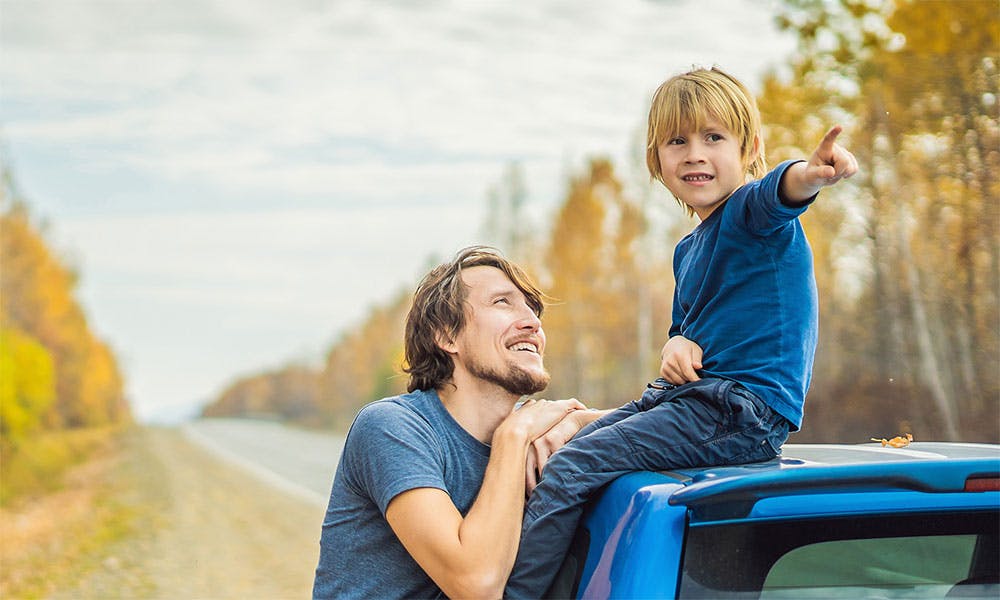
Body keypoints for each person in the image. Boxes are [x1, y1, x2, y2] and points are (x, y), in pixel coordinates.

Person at [504, 66, 859, 598]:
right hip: (693, 400)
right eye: (678, 141)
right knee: (565, 448)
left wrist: (809, 174)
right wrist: (676, 344)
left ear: (749, 148)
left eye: (714, 137)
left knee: (575, 465)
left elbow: (778, 194)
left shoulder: (749, 214)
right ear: (658, 161)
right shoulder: (688, 249)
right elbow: (686, 331)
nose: (695, 153)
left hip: (741, 413)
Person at [312, 246, 604, 599]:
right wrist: (513, 437)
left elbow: (646, 428)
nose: (533, 321)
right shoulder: (392, 427)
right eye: (502, 303)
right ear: (447, 335)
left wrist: (574, 422)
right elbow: (475, 585)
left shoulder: (537, 428)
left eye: (532, 308)